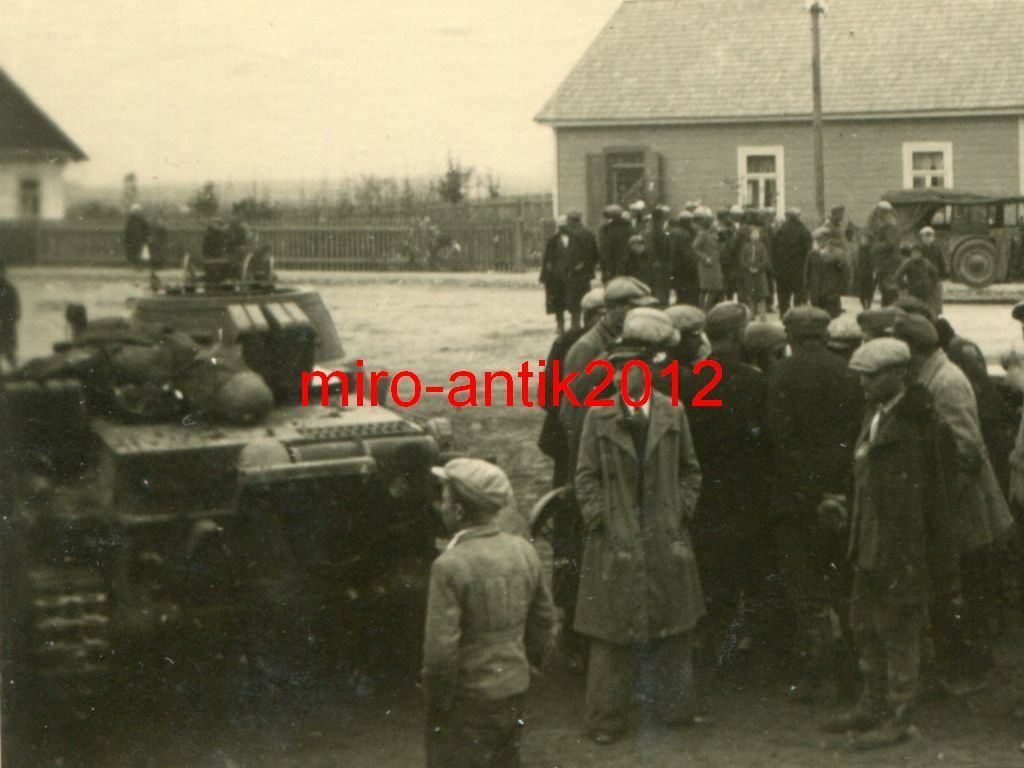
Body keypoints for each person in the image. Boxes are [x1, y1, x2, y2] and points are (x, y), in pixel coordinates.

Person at [822, 338, 959, 749]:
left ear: (898, 374)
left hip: (901, 551)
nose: (863, 383)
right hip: (867, 542)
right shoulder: (876, 414)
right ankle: (872, 703)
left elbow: (938, 498)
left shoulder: (923, 426)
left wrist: (930, 557)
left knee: (898, 632)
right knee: (865, 626)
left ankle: (899, 715)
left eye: (871, 376)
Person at [574, 308, 703, 745]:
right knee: (611, 632)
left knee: (672, 625)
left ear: (651, 371)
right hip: (617, 536)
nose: (624, 377)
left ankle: (674, 709)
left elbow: (691, 470)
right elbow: (584, 476)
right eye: (618, 369)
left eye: (635, 369)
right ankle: (606, 719)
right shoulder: (598, 416)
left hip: (666, 534)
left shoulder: (673, 413)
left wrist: (679, 512)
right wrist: (601, 519)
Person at [893, 312, 1013, 691]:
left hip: (966, 509)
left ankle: (973, 670)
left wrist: (939, 506)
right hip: (957, 507)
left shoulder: (946, 382)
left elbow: (966, 450)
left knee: (966, 589)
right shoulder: (932, 376)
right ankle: (964, 665)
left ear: (912, 351)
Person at [423, 458, 556, 768]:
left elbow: (439, 655)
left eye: (444, 498)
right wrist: (526, 667)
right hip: (513, 691)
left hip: (467, 702)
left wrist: (437, 703)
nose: (440, 506)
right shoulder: (524, 550)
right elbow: (545, 622)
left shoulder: (449, 566)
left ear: (457, 511)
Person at [767, 306, 863, 702]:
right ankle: (852, 676)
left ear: (790, 336)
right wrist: (835, 490)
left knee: (806, 592)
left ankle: (816, 676)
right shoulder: (849, 373)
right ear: (823, 334)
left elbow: (779, 440)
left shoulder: (780, 375)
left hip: (795, 501)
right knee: (843, 589)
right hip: (841, 497)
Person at [680, 303, 770, 691]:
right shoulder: (753, 381)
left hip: (706, 495)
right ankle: (751, 656)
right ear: (739, 334)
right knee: (750, 574)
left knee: (712, 579)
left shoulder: (690, 379)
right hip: (747, 493)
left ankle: (713, 659)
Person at [772, 208, 813, 316]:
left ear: (787, 217)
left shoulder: (780, 231)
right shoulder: (804, 231)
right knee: (798, 294)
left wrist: (775, 268)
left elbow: (773, 250)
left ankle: (783, 314)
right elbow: (809, 251)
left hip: (782, 270)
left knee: (783, 295)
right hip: (798, 269)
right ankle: (797, 316)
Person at [805, 226, 851, 319]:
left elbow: (844, 273)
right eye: (817, 239)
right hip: (816, 294)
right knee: (817, 320)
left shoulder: (837, 254)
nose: (818, 242)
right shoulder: (812, 254)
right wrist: (807, 291)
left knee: (832, 318)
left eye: (820, 239)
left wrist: (839, 289)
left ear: (827, 239)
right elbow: (807, 273)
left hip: (831, 294)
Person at [894, 233, 941, 317]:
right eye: (913, 253)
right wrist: (904, 286)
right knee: (914, 310)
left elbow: (935, 274)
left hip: (926, 292)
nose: (915, 254)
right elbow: (898, 275)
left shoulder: (926, 262)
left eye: (917, 253)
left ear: (921, 254)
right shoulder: (908, 263)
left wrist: (931, 285)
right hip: (913, 291)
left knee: (927, 312)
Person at [867, 201, 902, 307]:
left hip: (889, 263)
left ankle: (890, 312)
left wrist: (875, 246)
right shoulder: (886, 224)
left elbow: (890, 243)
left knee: (889, 290)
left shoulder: (891, 225)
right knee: (885, 289)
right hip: (884, 263)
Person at [694, 207, 724, 311]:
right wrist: (704, 257)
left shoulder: (714, 233)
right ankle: (704, 310)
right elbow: (694, 247)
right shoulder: (702, 234)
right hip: (707, 264)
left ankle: (707, 309)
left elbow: (719, 244)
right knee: (710, 289)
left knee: (713, 289)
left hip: (714, 263)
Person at [913, 226, 946, 315]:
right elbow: (914, 263)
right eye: (926, 235)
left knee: (936, 301)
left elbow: (941, 261)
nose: (929, 238)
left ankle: (935, 316)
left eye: (931, 235)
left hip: (935, 278)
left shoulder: (936, 248)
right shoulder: (917, 248)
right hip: (923, 279)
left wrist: (942, 275)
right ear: (921, 237)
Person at [739, 225, 770, 320]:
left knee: (762, 295)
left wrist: (758, 268)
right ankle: (752, 314)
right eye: (753, 234)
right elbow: (742, 259)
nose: (755, 235)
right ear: (750, 235)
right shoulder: (746, 246)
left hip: (760, 274)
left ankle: (763, 315)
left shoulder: (762, 246)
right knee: (751, 295)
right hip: (749, 274)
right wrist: (749, 268)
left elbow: (765, 260)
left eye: (757, 234)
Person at [670, 211, 700, 306]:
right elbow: (687, 253)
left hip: (675, 266)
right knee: (688, 292)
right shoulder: (684, 234)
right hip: (685, 267)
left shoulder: (673, 231)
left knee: (680, 291)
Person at [599, 205, 632, 283]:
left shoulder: (607, 229)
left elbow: (604, 249)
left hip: (611, 264)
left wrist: (605, 266)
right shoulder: (629, 227)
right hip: (627, 264)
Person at [0, 261, 20, 370]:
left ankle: (16, 372)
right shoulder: (10, 289)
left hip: (7, 326)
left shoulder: (10, 289)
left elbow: (16, 311)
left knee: (10, 354)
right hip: (6, 325)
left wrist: (7, 322)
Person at [123, 203, 150, 267]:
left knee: (139, 252)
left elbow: (146, 229)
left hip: (140, 239)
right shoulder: (130, 220)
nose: (136, 213)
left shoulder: (142, 220)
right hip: (132, 239)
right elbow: (127, 231)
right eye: (135, 211)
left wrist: (146, 237)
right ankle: (134, 264)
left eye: (137, 211)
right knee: (132, 252)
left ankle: (138, 265)